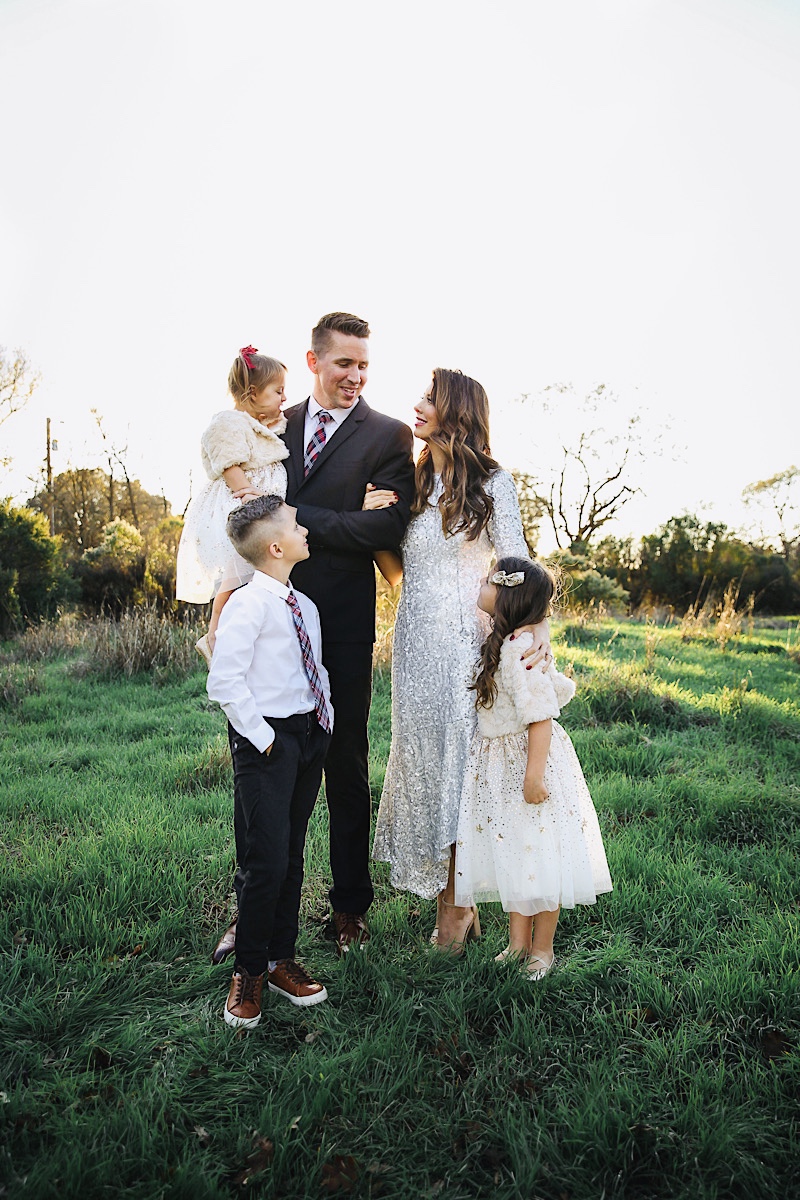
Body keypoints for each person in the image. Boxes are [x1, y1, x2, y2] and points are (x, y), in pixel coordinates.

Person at [214, 312, 415, 959]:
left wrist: (306, 518)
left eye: (364, 366)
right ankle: (253, 917)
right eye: (344, 364)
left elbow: (384, 532)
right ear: (313, 362)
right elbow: (242, 507)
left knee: (345, 767)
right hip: (269, 623)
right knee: (262, 771)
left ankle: (350, 907)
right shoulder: (273, 420)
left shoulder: (388, 436)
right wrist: (347, 516)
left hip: (346, 627)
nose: (355, 377)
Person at [371, 368, 550, 953]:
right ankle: (460, 904)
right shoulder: (415, 479)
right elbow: (398, 562)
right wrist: (380, 529)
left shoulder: (493, 483)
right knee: (423, 763)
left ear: (456, 412)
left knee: (459, 773)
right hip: (415, 642)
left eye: (429, 398)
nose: (416, 406)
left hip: (467, 644)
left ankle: (456, 912)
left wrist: (534, 626)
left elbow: (517, 563)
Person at [207, 495, 333, 1028]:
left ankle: (282, 959)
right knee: (265, 862)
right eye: (297, 526)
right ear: (276, 546)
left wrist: (323, 721)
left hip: (309, 737)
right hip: (267, 743)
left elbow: (313, 667)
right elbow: (225, 681)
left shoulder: (303, 606)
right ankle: (249, 972)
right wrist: (264, 741)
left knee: (294, 855)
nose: (307, 530)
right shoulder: (247, 603)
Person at [454, 557, 613, 978]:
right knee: (516, 853)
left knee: (541, 856)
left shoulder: (520, 647)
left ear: (506, 595)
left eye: (488, 580)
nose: (481, 584)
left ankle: (543, 950)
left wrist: (533, 776)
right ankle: (517, 943)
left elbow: (542, 716)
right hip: (504, 764)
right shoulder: (508, 638)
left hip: (527, 763)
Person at [176, 347, 289, 662]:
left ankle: (236, 637)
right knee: (235, 574)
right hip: (242, 508)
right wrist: (248, 492)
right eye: (277, 391)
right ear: (253, 393)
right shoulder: (228, 422)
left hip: (260, 509)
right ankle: (214, 634)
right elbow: (227, 460)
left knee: (249, 577)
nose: (284, 398)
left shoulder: (258, 423)